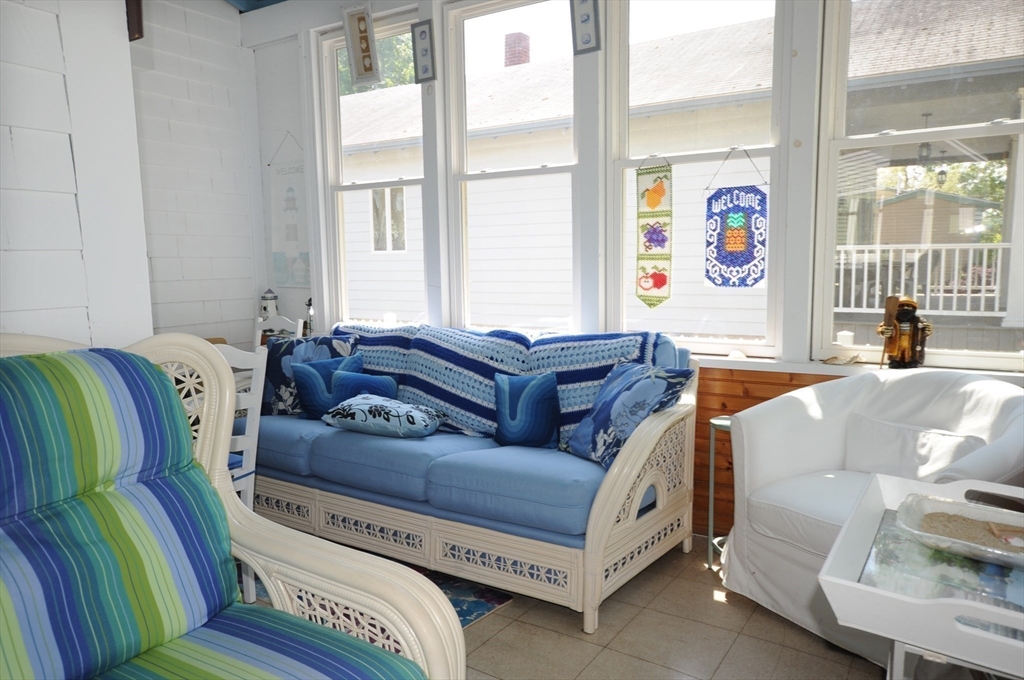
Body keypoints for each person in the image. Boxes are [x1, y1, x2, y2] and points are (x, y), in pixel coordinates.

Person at [877, 296, 932, 368]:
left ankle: (910, 361)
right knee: (896, 355)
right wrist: (883, 331)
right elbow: (881, 328)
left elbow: (926, 330)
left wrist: (927, 330)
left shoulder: (919, 321)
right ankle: (896, 361)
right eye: (901, 306)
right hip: (896, 343)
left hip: (912, 344)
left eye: (909, 306)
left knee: (910, 354)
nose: (905, 308)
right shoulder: (892, 320)